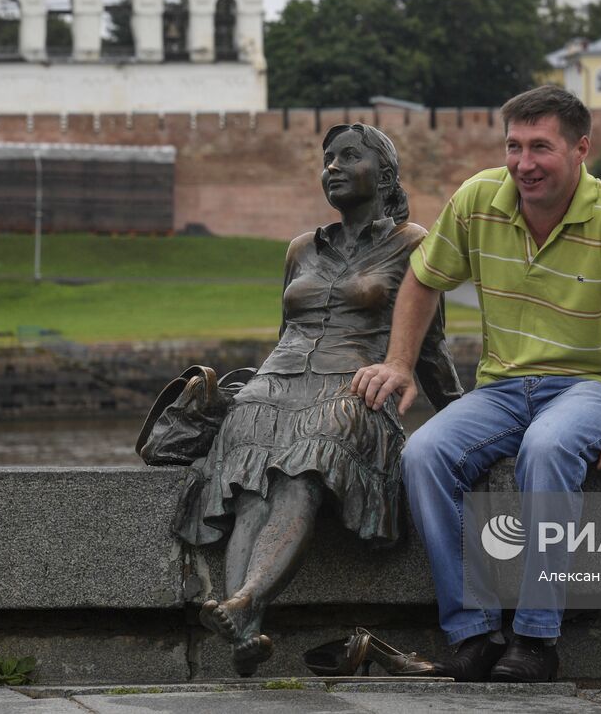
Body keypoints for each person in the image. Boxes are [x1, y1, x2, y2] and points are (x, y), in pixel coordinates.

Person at [352, 85, 601, 683]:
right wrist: (397, 361)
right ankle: (472, 633)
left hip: (596, 385)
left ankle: (536, 638)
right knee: (422, 453)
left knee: (546, 449)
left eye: (541, 147)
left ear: (581, 150)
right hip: (503, 387)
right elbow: (422, 280)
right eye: (513, 146)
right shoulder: (478, 199)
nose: (523, 163)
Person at [176, 123, 461, 676]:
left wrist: (466, 419)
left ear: (382, 174)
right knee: (249, 480)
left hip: (354, 386)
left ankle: (244, 605)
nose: (330, 166)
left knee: (305, 464)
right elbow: (285, 330)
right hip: (274, 385)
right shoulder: (300, 248)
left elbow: (430, 345)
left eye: (347, 157)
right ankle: (245, 620)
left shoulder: (414, 243)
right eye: (326, 158)